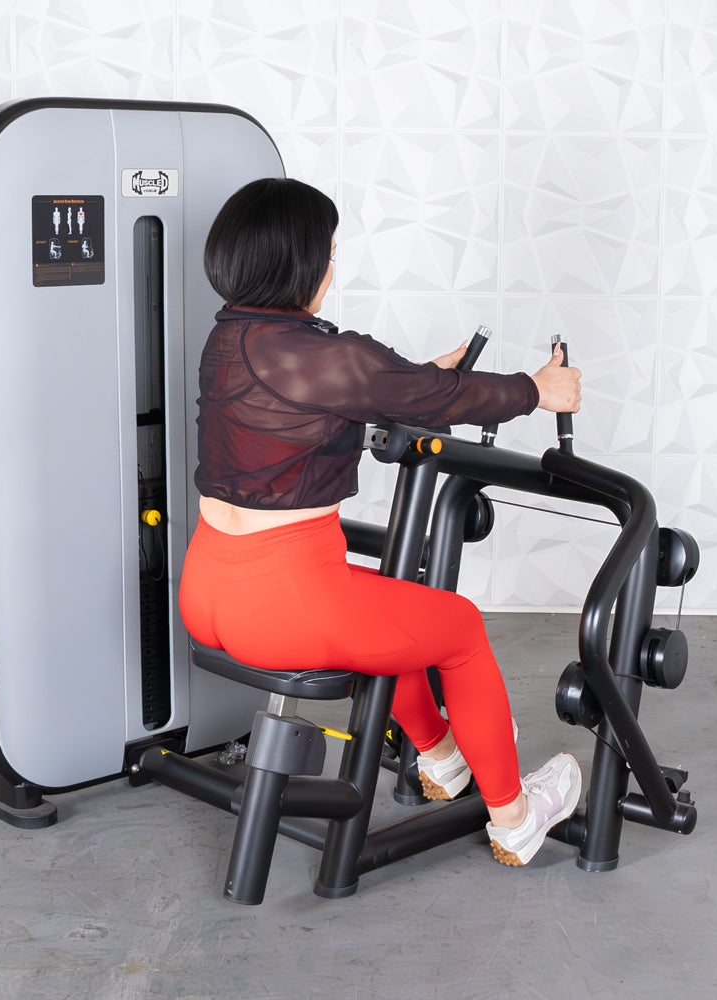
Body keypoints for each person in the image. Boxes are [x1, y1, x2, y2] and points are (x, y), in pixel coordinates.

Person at [179, 177, 584, 867]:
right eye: (329, 253)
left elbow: (313, 402)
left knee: (385, 622)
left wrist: (417, 379)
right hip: (286, 607)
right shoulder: (330, 357)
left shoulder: (228, 340)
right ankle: (516, 816)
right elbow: (373, 383)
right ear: (302, 264)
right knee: (457, 626)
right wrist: (538, 392)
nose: (332, 268)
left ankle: (444, 758)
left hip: (207, 592)